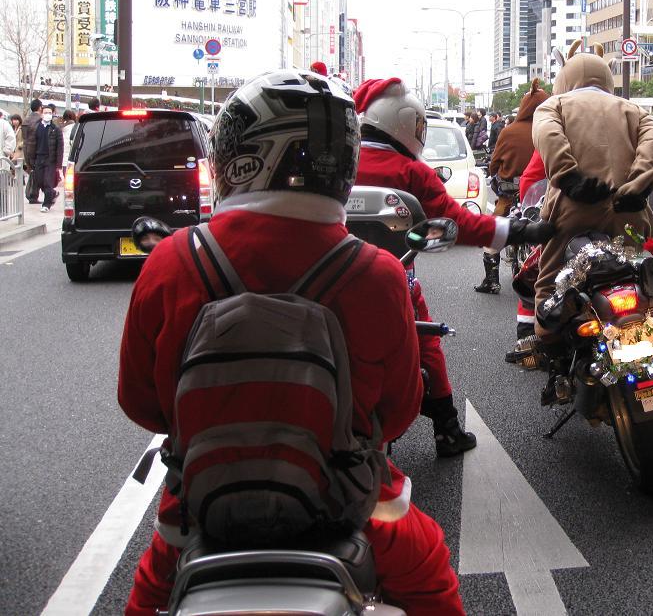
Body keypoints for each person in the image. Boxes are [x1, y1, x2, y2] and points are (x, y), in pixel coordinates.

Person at [118, 70, 464, 616]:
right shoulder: (378, 273)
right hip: (350, 507)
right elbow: (398, 412)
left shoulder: (172, 261)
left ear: (240, 159)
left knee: (147, 597)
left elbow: (141, 404)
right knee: (431, 581)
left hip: (202, 508)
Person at [353, 78, 554, 457]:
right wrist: (518, 230)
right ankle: (446, 429)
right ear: (405, 123)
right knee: (427, 341)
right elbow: (458, 223)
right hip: (392, 282)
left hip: (325, 280)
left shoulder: (333, 161)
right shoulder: (411, 172)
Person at [530, 42, 653, 340]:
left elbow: (548, 136)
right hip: (628, 213)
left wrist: (570, 179)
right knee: (635, 273)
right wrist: (637, 186)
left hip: (572, 211)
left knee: (551, 282)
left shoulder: (554, 105)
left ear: (565, 78)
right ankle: (647, 331)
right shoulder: (633, 110)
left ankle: (548, 341)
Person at [480, 80, 549, 303]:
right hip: (543, 195)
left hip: (510, 193)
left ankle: (491, 280)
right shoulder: (550, 129)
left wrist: (497, 171)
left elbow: (494, 163)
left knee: (494, 231)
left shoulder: (509, 131)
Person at [29, 104, 62, 211]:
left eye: (50, 113)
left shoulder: (55, 129)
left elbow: (60, 147)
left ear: (52, 114)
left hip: (50, 159)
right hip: (38, 158)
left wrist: (59, 164)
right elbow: (31, 144)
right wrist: (30, 159)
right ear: (41, 114)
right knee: (39, 181)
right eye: (45, 112)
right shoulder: (36, 127)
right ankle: (53, 193)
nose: (48, 114)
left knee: (47, 182)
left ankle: (46, 205)